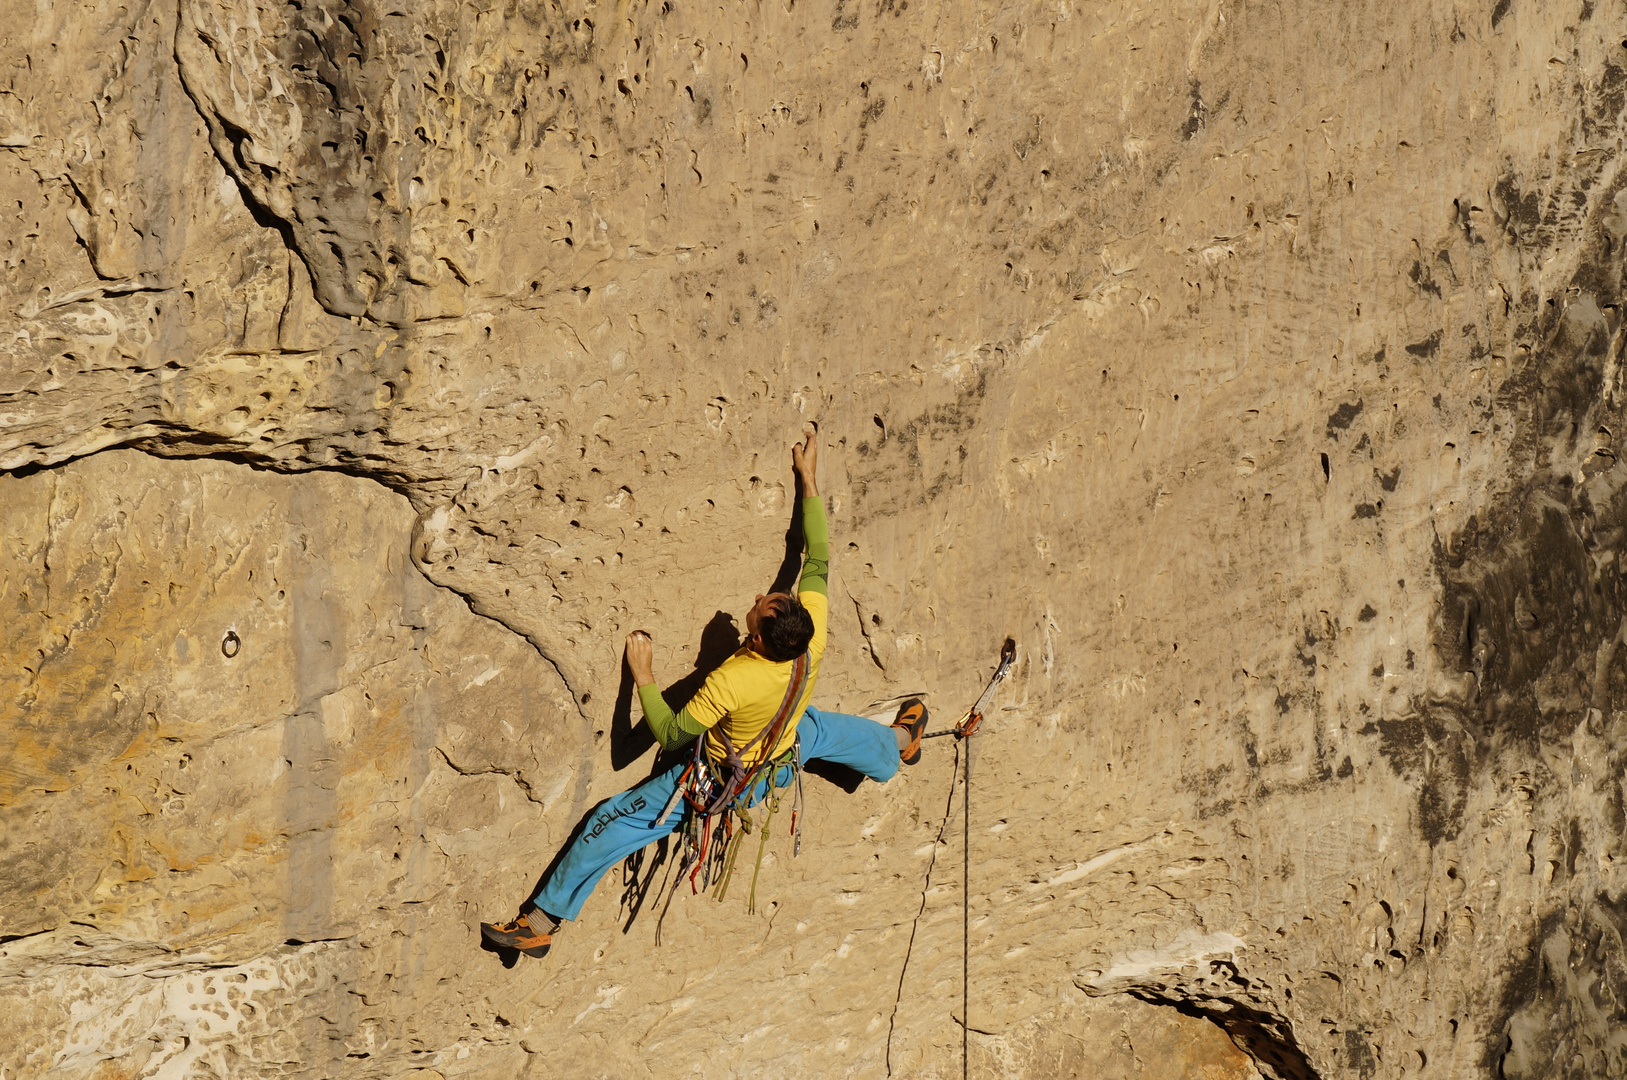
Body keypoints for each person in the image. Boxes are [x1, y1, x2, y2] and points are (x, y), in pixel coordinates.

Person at [481, 431, 930, 958]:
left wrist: (642, 675)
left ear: (758, 640)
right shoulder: (811, 637)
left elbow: (670, 733)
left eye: (762, 606)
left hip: (723, 778)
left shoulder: (732, 679)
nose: (762, 595)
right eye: (773, 597)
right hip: (781, 746)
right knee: (822, 729)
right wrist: (808, 480)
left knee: (611, 820)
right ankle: (901, 742)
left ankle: (538, 924)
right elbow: (818, 559)